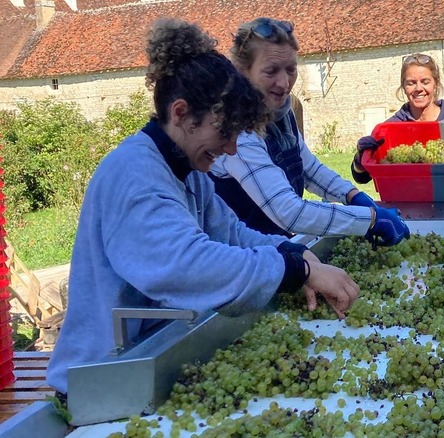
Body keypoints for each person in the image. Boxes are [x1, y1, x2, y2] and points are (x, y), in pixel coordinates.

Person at [46, 18, 359, 395]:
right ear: (181, 114)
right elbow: (188, 265)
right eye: (224, 132)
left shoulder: (187, 170)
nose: (230, 149)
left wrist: (300, 258)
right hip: (100, 382)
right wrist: (295, 270)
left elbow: (233, 235)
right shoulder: (134, 177)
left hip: (150, 362)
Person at [209, 17, 409, 246]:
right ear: (243, 72)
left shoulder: (280, 113)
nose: (284, 83)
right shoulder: (239, 132)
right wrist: (369, 219)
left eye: (291, 69)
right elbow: (289, 212)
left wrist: (353, 196)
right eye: (271, 71)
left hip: (275, 248)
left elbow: (309, 169)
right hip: (242, 258)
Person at [351, 53, 444, 184]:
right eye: (411, 83)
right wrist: (360, 158)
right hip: (405, 201)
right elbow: (361, 177)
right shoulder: (391, 128)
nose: (418, 89)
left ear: (435, 84)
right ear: (404, 88)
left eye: (425, 82)